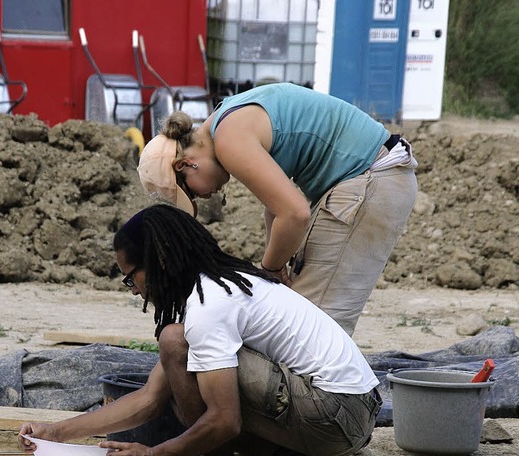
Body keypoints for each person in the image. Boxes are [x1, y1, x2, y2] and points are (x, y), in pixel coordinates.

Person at [19, 204, 382, 456]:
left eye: (132, 277)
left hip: (337, 413)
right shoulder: (215, 289)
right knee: (178, 348)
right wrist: (56, 433)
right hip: (345, 408)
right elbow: (149, 399)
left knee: (176, 345)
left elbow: (225, 421)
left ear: (158, 264)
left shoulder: (210, 306)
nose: (133, 290)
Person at [137, 82, 417, 337]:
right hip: (370, 175)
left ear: (185, 165)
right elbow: (275, 208)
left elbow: (295, 213)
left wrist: (269, 270)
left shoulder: (228, 139)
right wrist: (277, 267)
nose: (204, 195)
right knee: (296, 312)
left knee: (311, 328)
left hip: (371, 178)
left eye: (190, 192)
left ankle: (329, 392)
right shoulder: (228, 117)